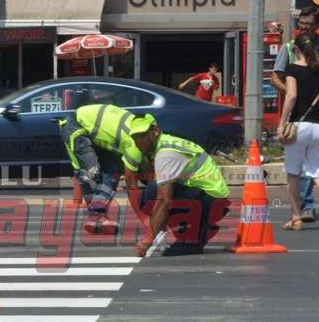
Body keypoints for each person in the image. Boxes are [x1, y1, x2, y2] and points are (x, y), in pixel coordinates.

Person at [270, 6, 319, 222]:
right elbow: (275, 78)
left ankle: (298, 213)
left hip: (313, 116)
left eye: (308, 24)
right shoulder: (290, 47)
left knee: (296, 167)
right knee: (317, 166)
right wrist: (295, 92)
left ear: (318, 26)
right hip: (309, 117)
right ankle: (313, 203)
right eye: (300, 24)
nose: (303, 27)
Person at [130, 115, 231, 257]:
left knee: (152, 195)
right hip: (212, 198)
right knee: (151, 193)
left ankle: (191, 240)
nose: (138, 141)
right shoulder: (166, 143)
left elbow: (164, 201)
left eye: (142, 135)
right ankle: (197, 232)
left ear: (155, 130)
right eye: (135, 137)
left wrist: (147, 241)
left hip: (212, 201)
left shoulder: (165, 154)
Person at [59, 103, 147, 235]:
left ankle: (96, 217)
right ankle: (96, 216)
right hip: (75, 125)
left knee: (113, 173)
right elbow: (132, 186)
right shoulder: (133, 145)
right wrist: (145, 220)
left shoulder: (137, 134)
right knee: (91, 172)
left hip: (99, 135)